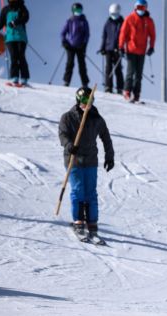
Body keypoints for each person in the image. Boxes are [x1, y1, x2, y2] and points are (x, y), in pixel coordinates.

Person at [58, 87, 115, 241]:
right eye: (84, 101)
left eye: (90, 101)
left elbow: (106, 137)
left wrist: (109, 156)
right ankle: (78, 221)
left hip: (90, 160)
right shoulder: (68, 117)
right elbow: (62, 135)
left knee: (91, 193)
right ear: (78, 101)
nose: (87, 104)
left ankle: (92, 223)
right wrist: (70, 146)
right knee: (78, 191)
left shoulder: (96, 118)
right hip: (74, 160)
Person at [118, 0, 156, 103]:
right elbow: (123, 33)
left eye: (143, 8)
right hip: (131, 50)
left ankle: (136, 94)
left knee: (139, 74)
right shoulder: (130, 18)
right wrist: (121, 46)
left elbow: (152, 35)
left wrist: (151, 47)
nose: (141, 10)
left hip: (142, 51)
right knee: (130, 72)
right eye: (139, 8)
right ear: (135, 8)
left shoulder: (148, 21)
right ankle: (127, 91)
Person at [0, 0, 30, 87]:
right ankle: (14, 77)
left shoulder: (22, 8)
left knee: (21, 56)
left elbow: (25, 18)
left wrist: (15, 22)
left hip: (21, 37)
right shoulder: (5, 10)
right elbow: (0, 24)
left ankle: (24, 78)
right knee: (14, 56)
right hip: (10, 38)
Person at [61, 2, 90, 87]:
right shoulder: (70, 20)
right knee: (70, 63)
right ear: (73, 11)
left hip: (80, 46)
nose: (78, 11)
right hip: (70, 46)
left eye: (79, 10)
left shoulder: (84, 21)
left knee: (82, 65)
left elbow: (87, 34)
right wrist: (64, 42)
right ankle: (66, 81)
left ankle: (85, 83)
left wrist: (84, 44)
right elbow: (63, 33)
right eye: (76, 10)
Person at [99, 3, 125, 94]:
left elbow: (125, 36)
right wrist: (102, 48)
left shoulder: (122, 22)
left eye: (116, 14)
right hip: (108, 49)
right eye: (113, 14)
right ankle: (108, 87)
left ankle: (120, 88)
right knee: (108, 68)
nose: (114, 16)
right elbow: (104, 36)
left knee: (118, 69)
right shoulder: (107, 23)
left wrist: (123, 48)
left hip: (118, 49)